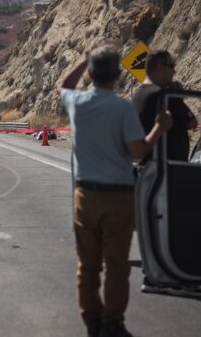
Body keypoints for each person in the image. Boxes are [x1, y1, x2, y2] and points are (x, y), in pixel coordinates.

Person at [60, 45, 171, 337]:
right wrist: (159, 128)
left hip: (85, 195)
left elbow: (65, 85)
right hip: (119, 195)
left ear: (92, 74)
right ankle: (113, 323)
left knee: (88, 265)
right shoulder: (122, 108)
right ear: (119, 76)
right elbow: (137, 151)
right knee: (117, 264)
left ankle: (92, 320)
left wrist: (84, 60)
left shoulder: (78, 104)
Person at [131, 50, 201, 298]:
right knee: (176, 226)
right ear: (156, 67)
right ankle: (178, 278)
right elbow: (191, 122)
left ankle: (156, 276)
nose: (174, 71)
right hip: (166, 167)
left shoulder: (139, 94)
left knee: (159, 225)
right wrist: (177, 94)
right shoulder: (163, 96)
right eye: (170, 66)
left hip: (150, 166)